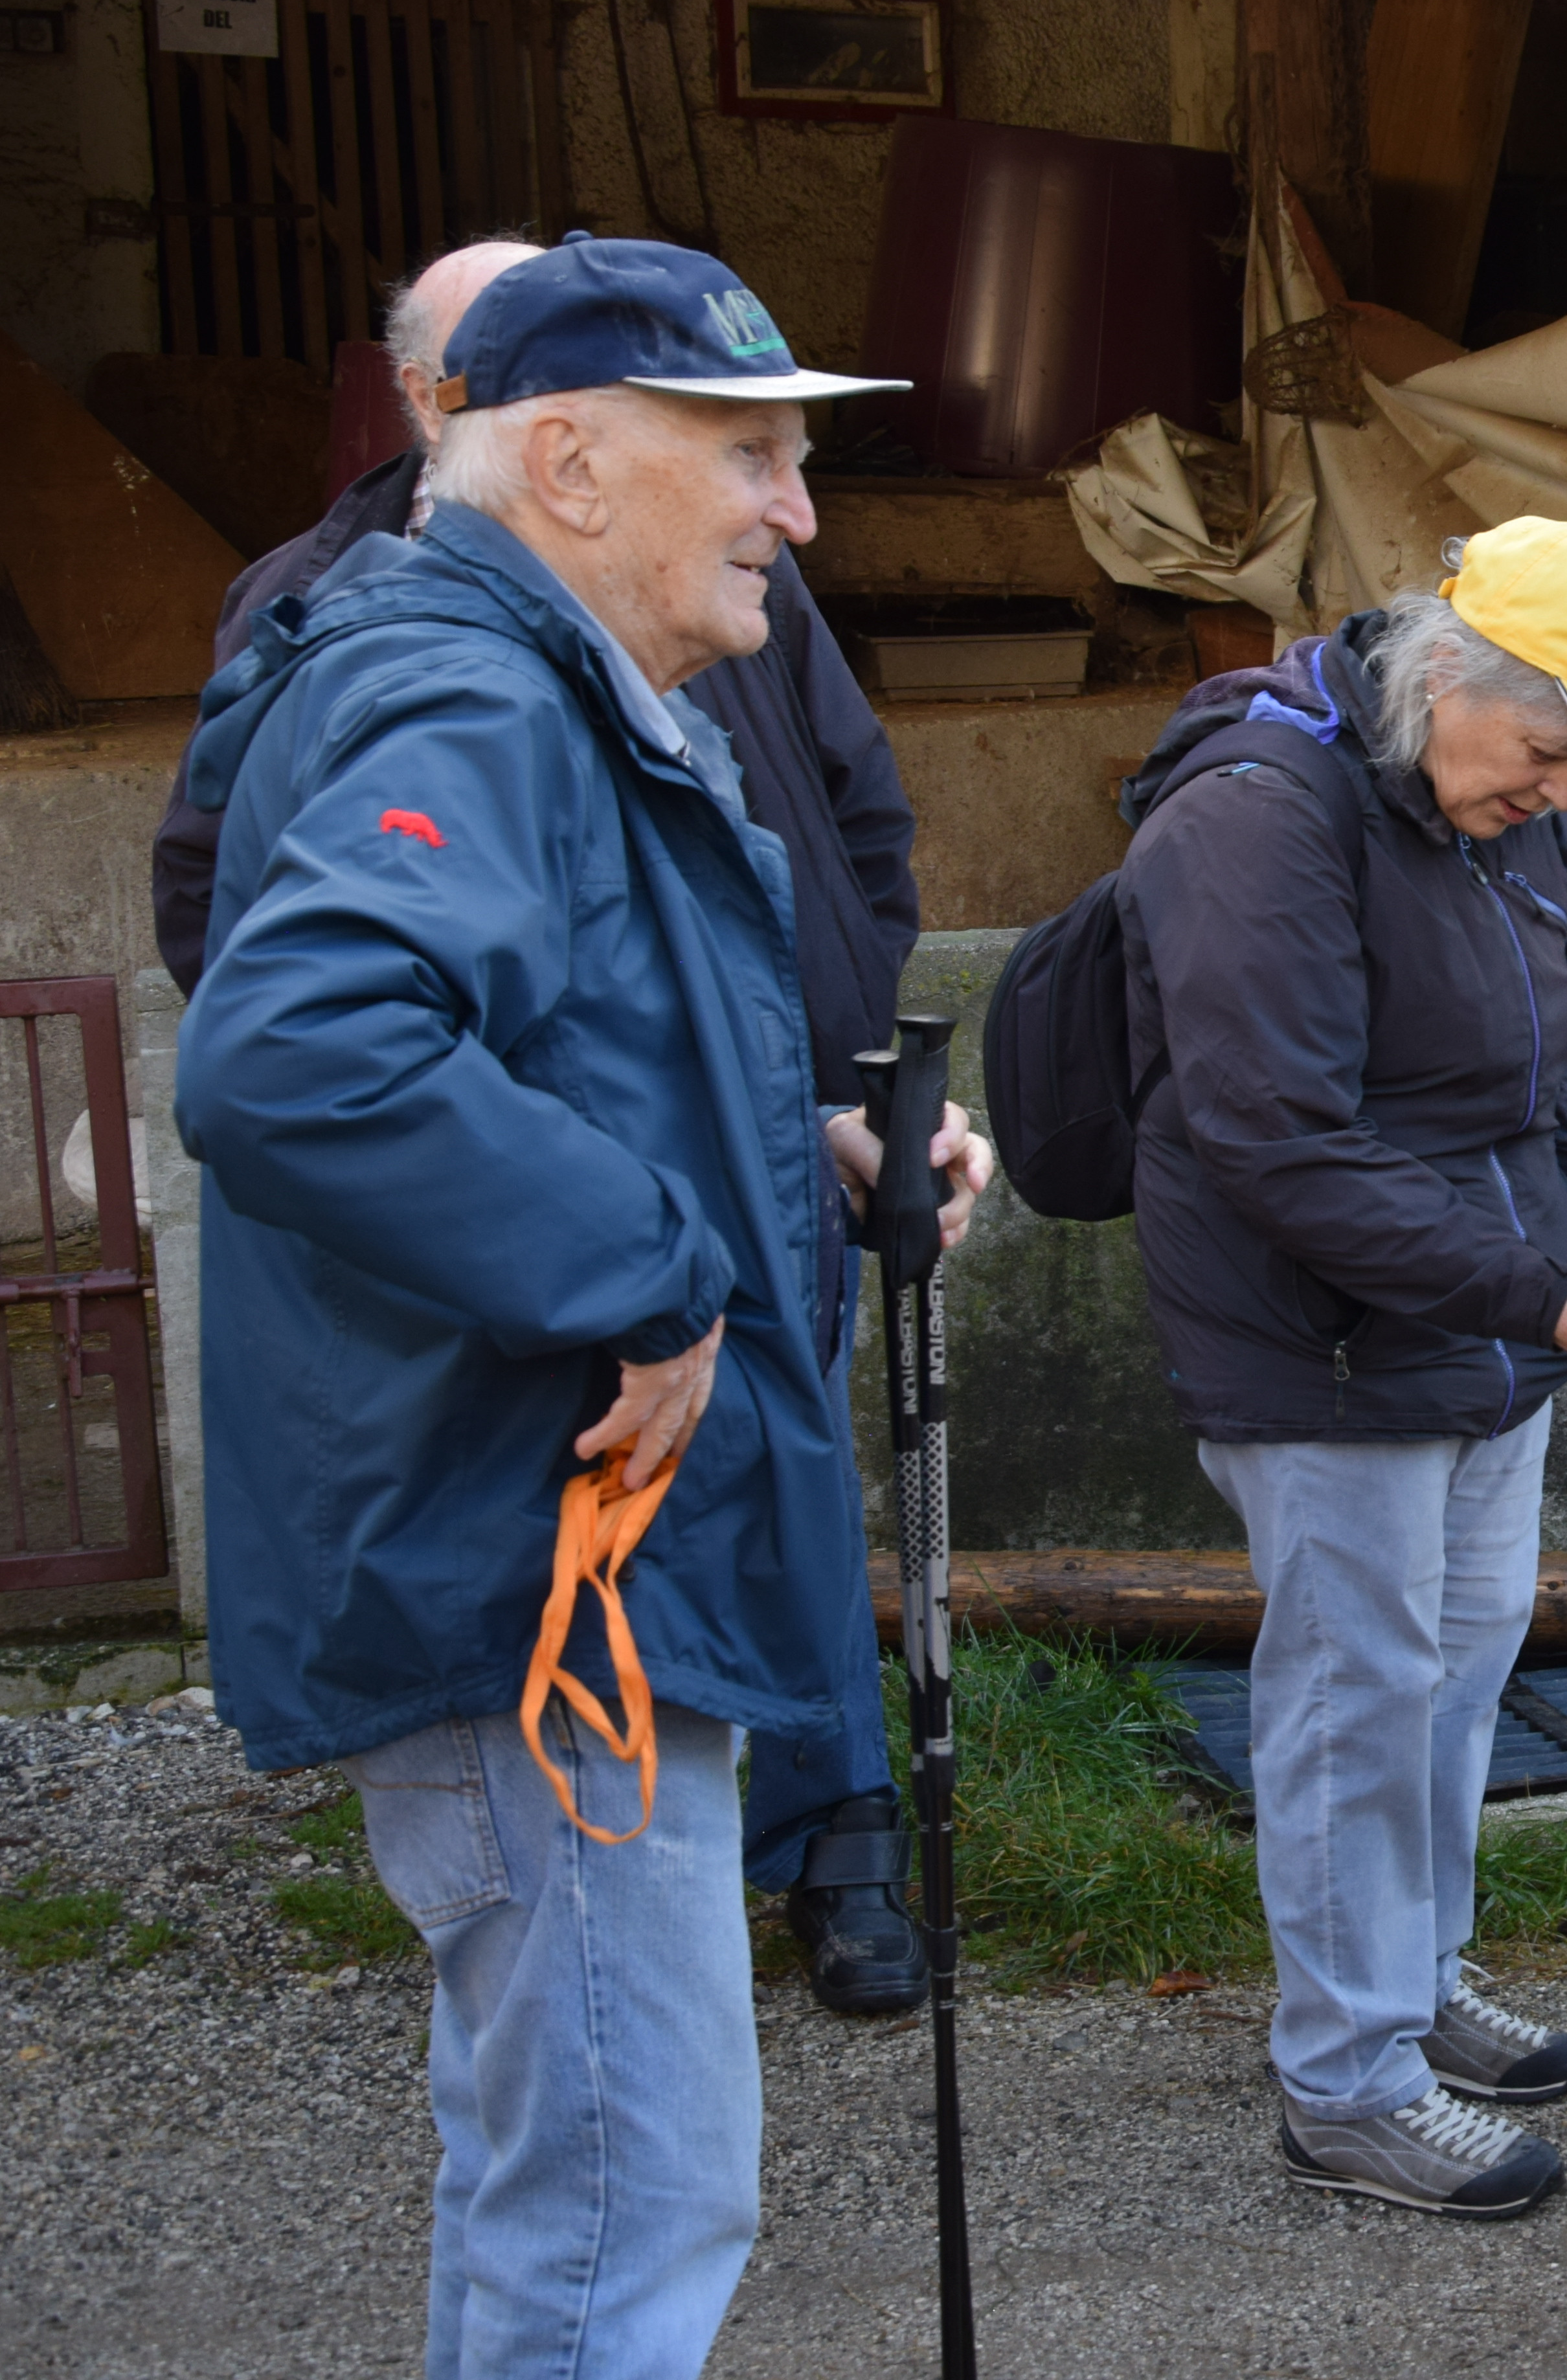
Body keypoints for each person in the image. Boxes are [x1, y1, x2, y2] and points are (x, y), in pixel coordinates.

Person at [175, 236, 989, 2378]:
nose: (798, 518)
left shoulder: (529, 679)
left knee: (568, 2181)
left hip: (555, 1565)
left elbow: (550, 1044)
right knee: (629, 2204)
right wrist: (649, 1268)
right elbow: (302, 1052)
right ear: (568, 461)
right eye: (754, 459)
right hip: (534, 1579)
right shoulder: (465, 688)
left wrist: (789, 1152)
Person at [1116, 517, 1567, 2219]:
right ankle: (1348, 2078)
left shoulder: (1492, 805)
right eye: (1548, 750)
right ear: (1445, 681)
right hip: (1326, 1336)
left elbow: (1552, 1053)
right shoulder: (1254, 815)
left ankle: (1417, 1982)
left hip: (1482, 1316)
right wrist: (1535, 1292)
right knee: (1356, 1699)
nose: (1564, 795)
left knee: (1458, 1661)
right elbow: (1279, 1142)